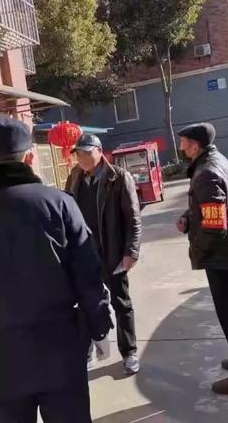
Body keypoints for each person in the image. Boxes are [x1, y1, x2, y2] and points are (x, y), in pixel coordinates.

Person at [0, 117, 112, 423]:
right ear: (28, 157)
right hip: (61, 348)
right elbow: (88, 275)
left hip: (1, 357)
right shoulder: (60, 204)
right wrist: (99, 327)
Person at [175, 123, 228, 395]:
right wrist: (188, 218)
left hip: (221, 255)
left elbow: (214, 223)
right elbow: (210, 206)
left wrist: (197, 250)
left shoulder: (208, 172)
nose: (180, 147)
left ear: (195, 146)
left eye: (183, 142)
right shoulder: (214, 161)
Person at [65, 134, 142, 375]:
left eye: (87, 152)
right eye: (78, 153)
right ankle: (89, 350)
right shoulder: (74, 177)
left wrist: (131, 252)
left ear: (100, 151)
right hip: (83, 255)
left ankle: (129, 353)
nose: (82, 158)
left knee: (121, 303)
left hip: (112, 253)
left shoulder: (118, 177)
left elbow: (133, 218)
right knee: (85, 304)